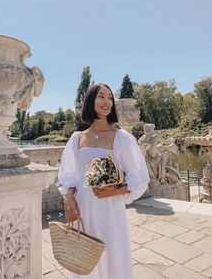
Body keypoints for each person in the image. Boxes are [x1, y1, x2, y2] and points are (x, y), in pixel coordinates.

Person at [58, 83, 150, 279]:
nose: (106, 101)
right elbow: (70, 176)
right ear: (90, 101)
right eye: (101, 96)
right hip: (83, 208)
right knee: (84, 260)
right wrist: (68, 195)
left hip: (110, 210)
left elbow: (139, 177)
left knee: (112, 257)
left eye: (109, 97)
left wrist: (114, 191)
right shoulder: (76, 138)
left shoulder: (121, 138)